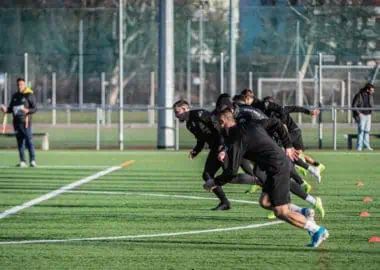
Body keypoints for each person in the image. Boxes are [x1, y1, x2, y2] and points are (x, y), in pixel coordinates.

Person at [208, 108, 328, 247]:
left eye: (215, 123)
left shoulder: (237, 138)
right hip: (272, 168)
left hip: (277, 169)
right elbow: (276, 123)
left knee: (281, 212)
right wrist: (287, 146)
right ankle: (304, 212)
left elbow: (231, 172)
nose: (215, 126)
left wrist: (213, 182)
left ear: (222, 122)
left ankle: (318, 230)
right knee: (265, 202)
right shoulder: (250, 125)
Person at [0, 78, 37, 167]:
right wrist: (5, 109)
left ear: (24, 85)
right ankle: (22, 161)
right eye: (18, 84)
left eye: (21, 84)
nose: (19, 86)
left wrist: (27, 110)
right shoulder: (15, 96)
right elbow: (11, 109)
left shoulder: (29, 95)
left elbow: (35, 108)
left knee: (29, 140)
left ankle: (32, 160)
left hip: (26, 122)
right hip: (16, 123)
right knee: (20, 142)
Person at [352, 83, 375, 151]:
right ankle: (359, 147)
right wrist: (359, 114)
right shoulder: (359, 95)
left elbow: (371, 105)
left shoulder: (370, 96)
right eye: (371, 90)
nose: (372, 92)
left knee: (367, 131)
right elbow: (354, 106)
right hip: (361, 115)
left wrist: (371, 112)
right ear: (367, 90)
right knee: (361, 131)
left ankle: (367, 146)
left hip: (368, 115)